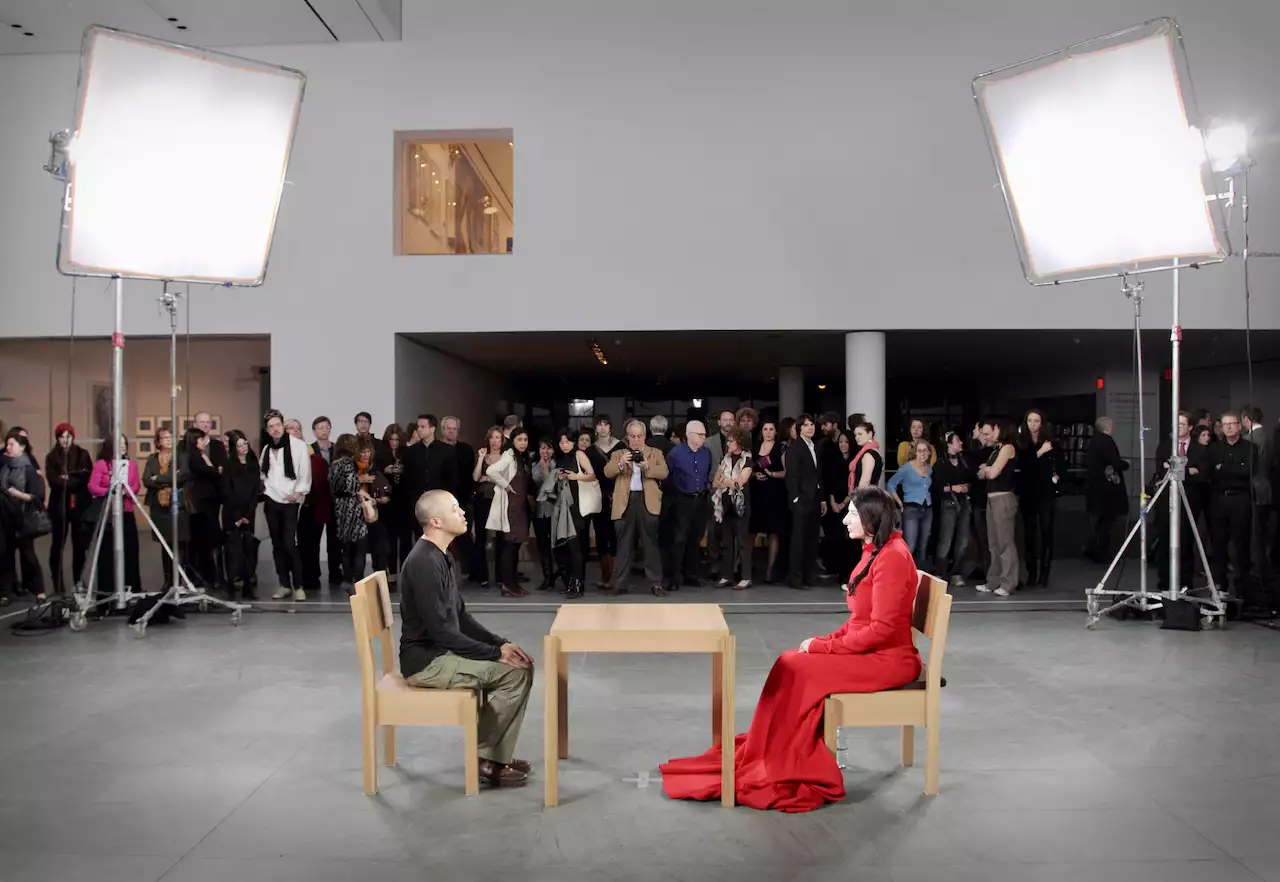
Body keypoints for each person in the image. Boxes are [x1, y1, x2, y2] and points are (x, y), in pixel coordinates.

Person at [660, 486, 922, 812]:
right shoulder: (875, 550)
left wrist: (828, 649)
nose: (845, 520)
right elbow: (860, 621)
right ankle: (768, 750)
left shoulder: (893, 558)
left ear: (872, 518)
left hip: (889, 659)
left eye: (853, 514)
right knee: (789, 662)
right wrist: (825, 642)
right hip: (872, 650)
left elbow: (880, 631)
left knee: (797, 666)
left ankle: (784, 760)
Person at [400, 490, 535, 788]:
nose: (462, 513)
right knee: (515, 674)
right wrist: (494, 655)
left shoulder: (442, 555)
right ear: (436, 521)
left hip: (439, 653)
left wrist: (499, 643)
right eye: (454, 508)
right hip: (426, 662)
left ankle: (493, 755)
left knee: (517, 665)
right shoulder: (424, 562)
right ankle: (486, 760)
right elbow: (443, 632)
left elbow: (460, 617)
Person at [603, 419, 669, 595]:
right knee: (623, 546)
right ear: (627, 437)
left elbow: (664, 472)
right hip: (625, 502)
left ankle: (656, 583)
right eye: (632, 436)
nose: (636, 439)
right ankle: (620, 584)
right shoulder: (619, 453)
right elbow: (607, 472)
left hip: (648, 503)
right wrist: (620, 463)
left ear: (645, 436)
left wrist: (647, 467)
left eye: (640, 436)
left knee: (651, 545)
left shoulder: (655, 453)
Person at [262, 409, 312, 602]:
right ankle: (284, 584)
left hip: (290, 500)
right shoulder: (267, 449)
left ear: (283, 426)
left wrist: (298, 493)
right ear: (267, 430)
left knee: (290, 543)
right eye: (271, 427)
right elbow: (263, 473)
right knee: (277, 544)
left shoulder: (298, 446)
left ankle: (299, 585)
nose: (275, 429)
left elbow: (305, 472)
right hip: (271, 500)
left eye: (277, 425)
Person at [1209, 411, 1256, 604]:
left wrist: (1224, 468)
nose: (1228, 427)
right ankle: (1220, 586)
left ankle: (1243, 587)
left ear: (1239, 426)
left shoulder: (1250, 447)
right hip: (1219, 500)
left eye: (1232, 424)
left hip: (1240, 500)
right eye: (1224, 424)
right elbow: (1212, 473)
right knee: (1218, 544)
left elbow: (1248, 472)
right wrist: (1234, 468)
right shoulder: (1214, 449)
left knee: (1241, 544)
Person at [87, 433, 140, 600]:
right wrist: (111, 492)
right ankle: (106, 595)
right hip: (108, 515)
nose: (123, 446)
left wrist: (125, 492)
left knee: (130, 552)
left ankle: (132, 591)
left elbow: (136, 485)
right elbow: (93, 487)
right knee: (106, 555)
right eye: (119, 443)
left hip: (126, 512)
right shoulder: (102, 465)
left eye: (125, 443)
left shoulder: (131, 464)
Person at [546, 428, 596, 598]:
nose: (564, 445)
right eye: (561, 442)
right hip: (562, 506)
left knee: (575, 547)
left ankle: (578, 585)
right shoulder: (558, 458)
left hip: (576, 505)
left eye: (567, 441)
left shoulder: (579, 455)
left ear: (573, 442)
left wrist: (576, 477)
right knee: (565, 547)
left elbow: (592, 475)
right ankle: (569, 583)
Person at [0, 429, 48, 604]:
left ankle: (39, 590)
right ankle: (5, 592)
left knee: (28, 554)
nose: (8, 447)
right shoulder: (5, 467)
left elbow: (37, 497)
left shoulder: (28, 469)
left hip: (23, 518)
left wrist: (17, 494)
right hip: (5, 518)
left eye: (12, 444)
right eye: (7, 444)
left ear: (21, 447)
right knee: (4, 555)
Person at [665, 420, 712, 594]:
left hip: (700, 499)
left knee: (695, 538)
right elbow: (667, 478)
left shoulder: (706, 453)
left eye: (704, 435)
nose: (703, 438)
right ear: (690, 435)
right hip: (681, 501)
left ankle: (691, 574)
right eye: (701, 435)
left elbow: (706, 474)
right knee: (679, 539)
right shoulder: (675, 454)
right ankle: (674, 576)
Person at [44, 423, 92, 593]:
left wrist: (67, 479)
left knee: (80, 547)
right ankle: (58, 583)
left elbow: (86, 478)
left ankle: (78, 581)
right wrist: (72, 479)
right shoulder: (51, 457)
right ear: (57, 438)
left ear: (73, 437)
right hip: (59, 507)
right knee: (57, 545)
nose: (65, 440)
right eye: (62, 436)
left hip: (79, 506)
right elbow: (53, 480)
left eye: (68, 436)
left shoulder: (82, 454)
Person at [485, 427, 533, 598]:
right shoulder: (509, 455)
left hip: (519, 506)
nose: (523, 443)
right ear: (513, 440)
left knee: (515, 545)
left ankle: (512, 583)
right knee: (510, 546)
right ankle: (508, 584)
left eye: (525, 440)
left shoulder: (520, 457)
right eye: (519, 439)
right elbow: (491, 471)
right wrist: (505, 484)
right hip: (511, 506)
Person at [784, 414, 826, 591]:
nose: (810, 427)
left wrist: (822, 498)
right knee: (799, 540)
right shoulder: (795, 448)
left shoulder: (813, 446)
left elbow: (818, 475)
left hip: (815, 498)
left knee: (812, 539)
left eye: (812, 424)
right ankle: (795, 578)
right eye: (806, 425)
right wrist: (796, 498)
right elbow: (791, 476)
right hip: (801, 499)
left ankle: (808, 576)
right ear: (799, 428)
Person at [142, 427, 188, 588]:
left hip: (178, 505)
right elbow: (146, 480)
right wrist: (169, 479)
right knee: (165, 544)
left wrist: (159, 478)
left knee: (180, 544)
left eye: (171, 437)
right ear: (158, 441)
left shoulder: (181, 456)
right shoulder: (152, 458)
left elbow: (182, 476)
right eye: (164, 437)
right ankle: (168, 580)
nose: (168, 440)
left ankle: (179, 580)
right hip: (159, 507)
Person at [977, 420, 1020, 597]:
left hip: (1003, 499)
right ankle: (993, 580)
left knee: (1005, 543)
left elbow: (992, 473)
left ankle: (1008, 582)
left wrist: (986, 469)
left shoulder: (1008, 448)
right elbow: (981, 474)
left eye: (991, 431)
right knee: (993, 543)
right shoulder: (996, 450)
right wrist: (987, 469)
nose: (988, 435)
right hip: (991, 500)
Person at [300, 416, 342, 592]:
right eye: (320, 427)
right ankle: (313, 574)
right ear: (314, 431)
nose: (324, 430)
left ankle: (335, 572)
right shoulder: (308, 450)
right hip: (316, 500)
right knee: (313, 540)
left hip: (334, 500)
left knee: (335, 540)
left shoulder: (338, 449)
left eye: (327, 427)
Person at [584, 415, 625, 590]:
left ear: (610, 427)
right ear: (595, 428)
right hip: (597, 495)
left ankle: (615, 578)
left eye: (605, 424)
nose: (602, 428)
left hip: (618, 495)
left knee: (616, 536)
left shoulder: (621, 447)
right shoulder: (590, 450)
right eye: (599, 425)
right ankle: (605, 575)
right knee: (601, 536)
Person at [180, 427, 223, 590]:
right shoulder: (195, 457)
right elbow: (212, 472)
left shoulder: (192, 456)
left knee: (202, 543)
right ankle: (207, 578)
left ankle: (205, 577)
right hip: (202, 504)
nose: (203, 443)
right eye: (200, 440)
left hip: (202, 504)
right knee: (204, 543)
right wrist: (213, 468)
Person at [711, 427, 754, 589]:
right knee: (727, 543)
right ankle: (726, 575)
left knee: (743, 543)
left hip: (741, 506)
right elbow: (715, 482)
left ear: (739, 442)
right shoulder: (724, 459)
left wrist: (726, 481)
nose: (727, 443)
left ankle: (746, 577)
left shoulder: (748, 460)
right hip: (726, 504)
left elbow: (739, 483)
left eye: (730, 440)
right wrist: (729, 482)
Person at [221, 430, 261, 598]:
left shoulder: (253, 464)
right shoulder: (229, 464)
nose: (243, 447)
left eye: (245, 444)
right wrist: (237, 516)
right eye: (239, 445)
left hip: (248, 514)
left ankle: (247, 585)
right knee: (233, 551)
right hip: (232, 514)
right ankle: (230, 583)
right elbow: (227, 491)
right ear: (233, 448)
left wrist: (248, 515)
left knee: (249, 550)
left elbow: (255, 491)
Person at [1083, 416, 1128, 564]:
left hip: (1095, 488)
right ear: (1107, 427)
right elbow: (1114, 462)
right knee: (1107, 521)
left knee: (1100, 520)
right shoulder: (1107, 441)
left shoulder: (1092, 442)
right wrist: (1124, 465)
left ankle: (1092, 547)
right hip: (1107, 490)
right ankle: (1100, 551)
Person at [933, 430, 973, 584]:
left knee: (963, 540)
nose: (961, 442)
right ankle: (940, 571)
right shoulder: (941, 463)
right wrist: (953, 488)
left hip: (964, 502)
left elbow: (972, 479)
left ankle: (957, 572)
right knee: (946, 539)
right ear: (949, 444)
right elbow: (936, 488)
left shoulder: (964, 461)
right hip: (949, 503)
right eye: (957, 440)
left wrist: (966, 486)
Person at [751, 420, 787, 583]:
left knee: (774, 531)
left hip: (775, 493)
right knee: (752, 531)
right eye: (765, 429)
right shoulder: (754, 446)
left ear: (775, 432)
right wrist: (754, 475)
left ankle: (770, 570)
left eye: (771, 429)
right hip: (757, 493)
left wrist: (772, 474)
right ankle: (743, 565)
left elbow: (787, 472)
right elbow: (747, 467)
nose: (768, 432)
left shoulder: (781, 448)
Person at [888, 439, 934, 569]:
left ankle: (919, 574)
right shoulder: (907, 468)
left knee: (923, 545)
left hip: (927, 508)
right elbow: (891, 484)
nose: (923, 453)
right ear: (915, 453)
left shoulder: (929, 468)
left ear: (929, 452)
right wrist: (899, 502)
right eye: (919, 451)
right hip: (911, 509)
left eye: (925, 450)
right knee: (911, 545)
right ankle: (903, 573)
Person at [468, 427, 505, 587]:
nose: (495, 440)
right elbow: (476, 477)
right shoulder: (483, 455)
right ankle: (481, 575)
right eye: (492, 437)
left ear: (502, 440)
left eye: (498, 437)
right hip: (482, 500)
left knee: (501, 538)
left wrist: (489, 477)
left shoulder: (506, 457)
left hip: (500, 500)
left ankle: (500, 576)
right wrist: (481, 458)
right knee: (481, 537)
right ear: (488, 439)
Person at [820, 431, 854, 580]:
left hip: (850, 503)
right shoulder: (834, 460)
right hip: (834, 502)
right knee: (835, 538)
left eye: (846, 442)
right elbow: (830, 483)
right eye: (841, 442)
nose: (843, 445)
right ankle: (836, 570)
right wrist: (833, 502)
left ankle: (847, 573)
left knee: (849, 539)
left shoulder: (854, 462)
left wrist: (844, 503)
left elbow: (854, 486)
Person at [848, 421, 883, 491]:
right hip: (870, 495)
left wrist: (855, 500)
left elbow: (865, 481)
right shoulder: (874, 451)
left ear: (870, 434)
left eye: (860, 434)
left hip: (866, 498)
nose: (856, 437)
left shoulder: (868, 454)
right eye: (855, 435)